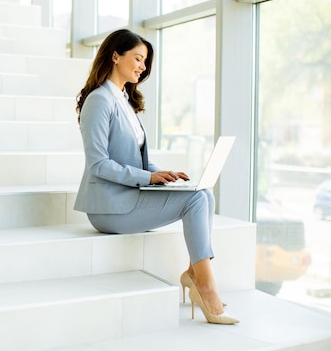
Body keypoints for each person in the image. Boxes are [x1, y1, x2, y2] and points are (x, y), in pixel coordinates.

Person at [73, 29, 238, 325]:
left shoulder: (124, 100)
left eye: (145, 61)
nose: (142, 67)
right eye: (137, 58)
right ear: (115, 56)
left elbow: (140, 160)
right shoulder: (99, 101)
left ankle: (194, 273)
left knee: (204, 193)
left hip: (130, 196)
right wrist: (149, 180)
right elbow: (99, 164)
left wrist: (162, 174)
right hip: (108, 208)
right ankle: (205, 285)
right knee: (197, 201)